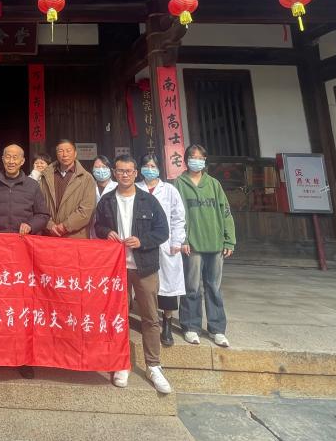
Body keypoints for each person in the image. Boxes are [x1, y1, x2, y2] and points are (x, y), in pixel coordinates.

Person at [93, 154, 172, 393]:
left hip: (144, 266)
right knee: (119, 317)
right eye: (120, 171)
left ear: (135, 173)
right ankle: (121, 363)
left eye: (129, 171)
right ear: (114, 173)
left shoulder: (148, 200)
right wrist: (106, 232)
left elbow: (163, 231)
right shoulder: (107, 200)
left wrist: (142, 241)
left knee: (150, 317)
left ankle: (153, 365)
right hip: (117, 268)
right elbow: (98, 225)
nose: (124, 174)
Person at [0, 143, 50, 379]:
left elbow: (43, 215)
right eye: (7, 156)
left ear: (22, 161)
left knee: (22, 308)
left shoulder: (32, 186)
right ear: (2, 159)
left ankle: (23, 359)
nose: (11, 161)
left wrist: (31, 225)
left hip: (23, 256)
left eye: (15, 157)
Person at [174, 144, 236, 348]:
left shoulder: (214, 184)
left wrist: (229, 239)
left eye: (201, 158)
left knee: (214, 287)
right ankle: (190, 326)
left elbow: (225, 212)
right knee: (192, 287)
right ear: (186, 160)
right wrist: (182, 240)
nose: (197, 161)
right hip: (192, 245)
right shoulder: (179, 184)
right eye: (193, 157)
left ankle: (217, 329)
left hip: (215, 244)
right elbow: (176, 214)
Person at [136, 154, 187, 348]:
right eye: (146, 165)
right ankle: (150, 321)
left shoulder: (170, 190)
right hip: (143, 244)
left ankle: (167, 322)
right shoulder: (136, 188)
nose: (149, 169)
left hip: (166, 244)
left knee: (168, 285)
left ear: (159, 169)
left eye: (153, 166)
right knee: (146, 287)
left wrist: (177, 241)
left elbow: (178, 217)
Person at [40, 140, 96, 239]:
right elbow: (39, 204)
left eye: (68, 151)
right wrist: (49, 225)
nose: (64, 154)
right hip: (49, 235)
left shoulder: (86, 178)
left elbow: (87, 210)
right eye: (60, 151)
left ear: (75, 153)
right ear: (56, 154)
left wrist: (65, 226)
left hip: (75, 236)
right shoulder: (46, 176)